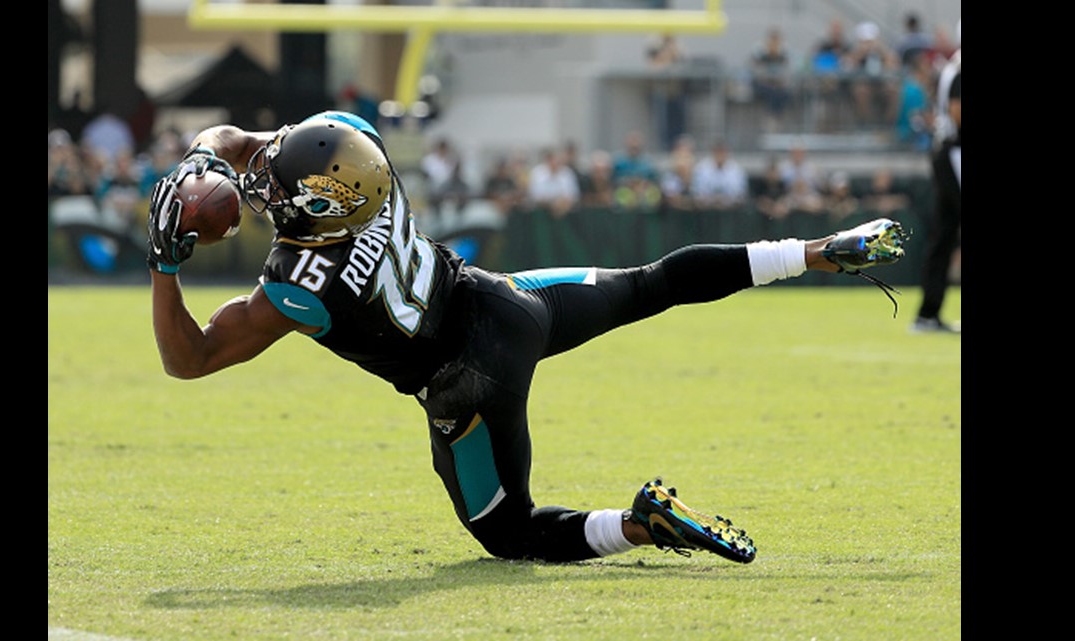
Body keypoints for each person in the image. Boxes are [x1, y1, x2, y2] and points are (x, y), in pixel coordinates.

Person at [145, 110, 909, 564]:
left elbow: (191, 359)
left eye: (278, 187)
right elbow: (252, 143)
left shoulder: (297, 287)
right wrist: (206, 159)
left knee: (508, 534)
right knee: (651, 282)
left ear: (320, 209)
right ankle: (815, 251)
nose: (262, 183)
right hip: (503, 304)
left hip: (467, 386)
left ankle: (641, 525)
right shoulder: (352, 147)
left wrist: (164, 262)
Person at [913, 44, 961, 334]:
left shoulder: (951, 69)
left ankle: (928, 312)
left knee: (943, 236)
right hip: (954, 153)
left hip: (947, 152)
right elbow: (957, 111)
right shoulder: (958, 71)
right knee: (943, 237)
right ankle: (928, 312)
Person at [749, 27, 794, 133]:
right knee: (772, 91)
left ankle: (775, 118)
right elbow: (757, 73)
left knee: (782, 93)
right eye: (772, 42)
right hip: (762, 85)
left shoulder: (783, 58)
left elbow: (786, 74)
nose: (774, 45)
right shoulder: (760, 56)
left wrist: (778, 80)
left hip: (777, 86)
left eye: (776, 42)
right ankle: (772, 119)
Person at [691, 139, 748, 211]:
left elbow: (740, 195)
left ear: (727, 153)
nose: (720, 155)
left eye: (722, 152)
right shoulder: (702, 168)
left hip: (730, 211)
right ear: (713, 152)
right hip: (706, 211)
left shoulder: (736, 170)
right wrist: (713, 200)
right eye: (718, 152)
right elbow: (697, 193)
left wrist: (724, 200)